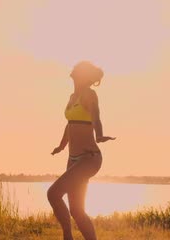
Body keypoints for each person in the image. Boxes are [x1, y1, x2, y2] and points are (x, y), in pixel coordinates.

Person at [47, 61, 116, 240]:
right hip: (73, 158)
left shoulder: (89, 94)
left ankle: (67, 237)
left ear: (82, 75)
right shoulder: (72, 97)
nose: (73, 68)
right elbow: (70, 124)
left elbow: (96, 117)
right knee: (77, 211)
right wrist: (61, 146)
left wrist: (99, 135)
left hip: (89, 158)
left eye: (78, 68)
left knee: (53, 194)